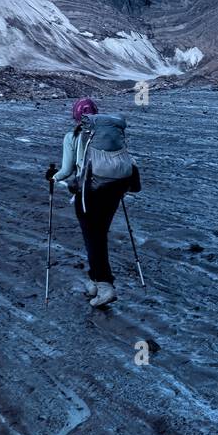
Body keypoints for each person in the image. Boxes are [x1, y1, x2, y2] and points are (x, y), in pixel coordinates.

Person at [48, 98, 134, 308]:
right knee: (99, 235)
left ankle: (105, 286)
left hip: (88, 193)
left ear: (76, 115)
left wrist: (52, 177)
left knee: (92, 238)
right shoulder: (110, 133)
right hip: (114, 189)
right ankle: (95, 280)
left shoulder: (73, 136)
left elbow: (67, 170)